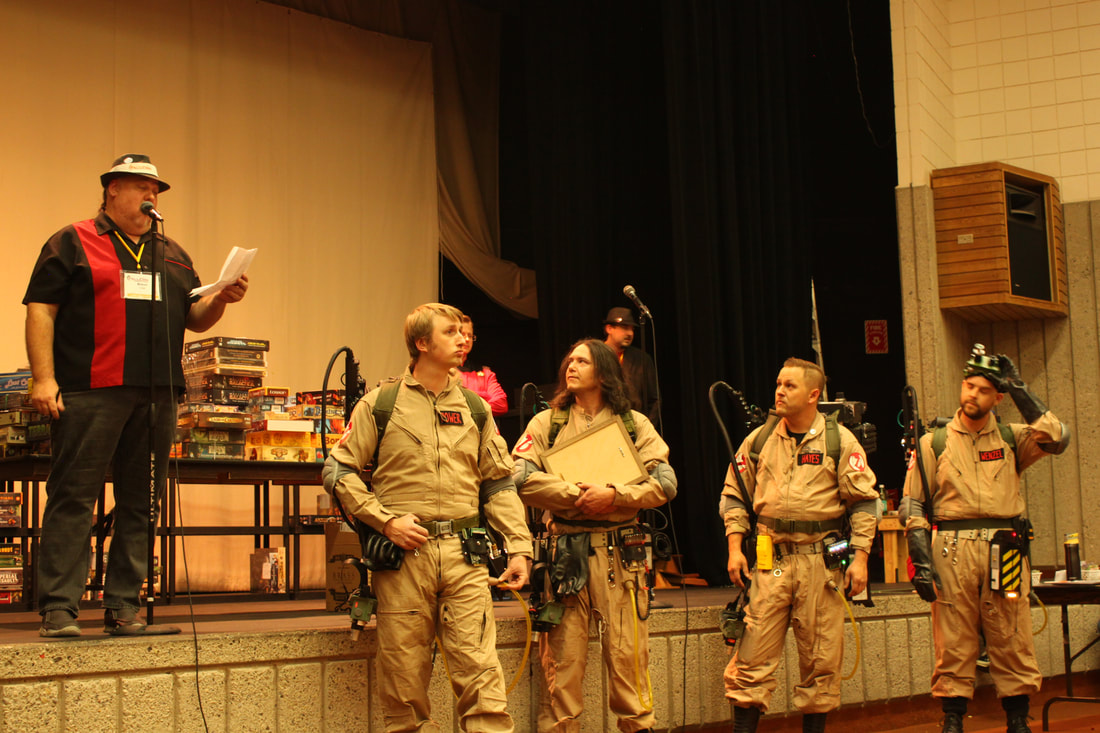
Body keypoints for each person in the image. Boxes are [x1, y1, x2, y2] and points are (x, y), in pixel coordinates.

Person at [24, 154, 249, 638]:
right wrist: (44, 379)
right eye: (142, 187)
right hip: (90, 390)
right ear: (112, 190)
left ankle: (124, 607)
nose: (152, 196)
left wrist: (221, 300)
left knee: (143, 502)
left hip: (157, 395)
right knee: (74, 496)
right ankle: (59, 610)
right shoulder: (72, 241)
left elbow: (195, 318)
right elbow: (41, 309)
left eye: (156, 190)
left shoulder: (173, 253)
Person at [325, 303, 532, 732]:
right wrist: (385, 521)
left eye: (464, 331)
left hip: (465, 556)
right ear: (422, 343)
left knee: (481, 671)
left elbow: (498, 483)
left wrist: (519, 547)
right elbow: (338, 471)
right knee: (403, 678)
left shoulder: (476, 409)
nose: (463, 339)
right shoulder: (380, 404)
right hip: (405, 559)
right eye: (450, 332)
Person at [900, 346, 1070, 733]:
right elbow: (913, 503)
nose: (972, 394)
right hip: (951, 550)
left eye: (983, 390)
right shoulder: (933, 442)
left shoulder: (1013, 438)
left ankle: (1017, 718)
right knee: (953, 637)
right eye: (969, 386)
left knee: (1011, 633)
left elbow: (1058, 439)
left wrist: (1019, 388)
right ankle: (953, 718)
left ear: (997, 398)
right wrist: (921, 561)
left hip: (1003, 547)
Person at [512, 338, 677, 732]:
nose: (571, 366)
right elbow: (518, 477)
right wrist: (576, 494)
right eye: (570, 360)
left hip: (622, 556)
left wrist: (615, 496)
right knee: (562, 662)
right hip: (565, 555)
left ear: (603, 373)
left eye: (582, 361)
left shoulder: (634, 424)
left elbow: (666, 483)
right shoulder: (547, 423)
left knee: (629, 657)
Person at [720, 358, 878, 733]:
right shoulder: (759, 440)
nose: (779, 391)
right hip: (769, 562)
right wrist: (734, 548)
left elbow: (864, 503)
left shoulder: (840, 441)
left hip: (819, 565)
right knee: (750, 659)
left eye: (789, 386)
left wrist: (860, 559)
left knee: (821, 661)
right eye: (778, 383)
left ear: (813, 394)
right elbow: (733, 495)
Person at [603, 307, 659, 425]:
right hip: (603, 425)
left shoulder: (642, 359)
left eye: (632, 329)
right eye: (625, 328)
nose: (630, 333)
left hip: (635, 426)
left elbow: (655, 400)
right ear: (609, 328)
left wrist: (646, 427)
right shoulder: (594, 356)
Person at [458, 315, 508, 415]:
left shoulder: (486, 373)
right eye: (463, 335)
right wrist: (483, 396)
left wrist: (469, 406)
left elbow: (502, 405)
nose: (467, 339)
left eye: (470, 336)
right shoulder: (442, 371)